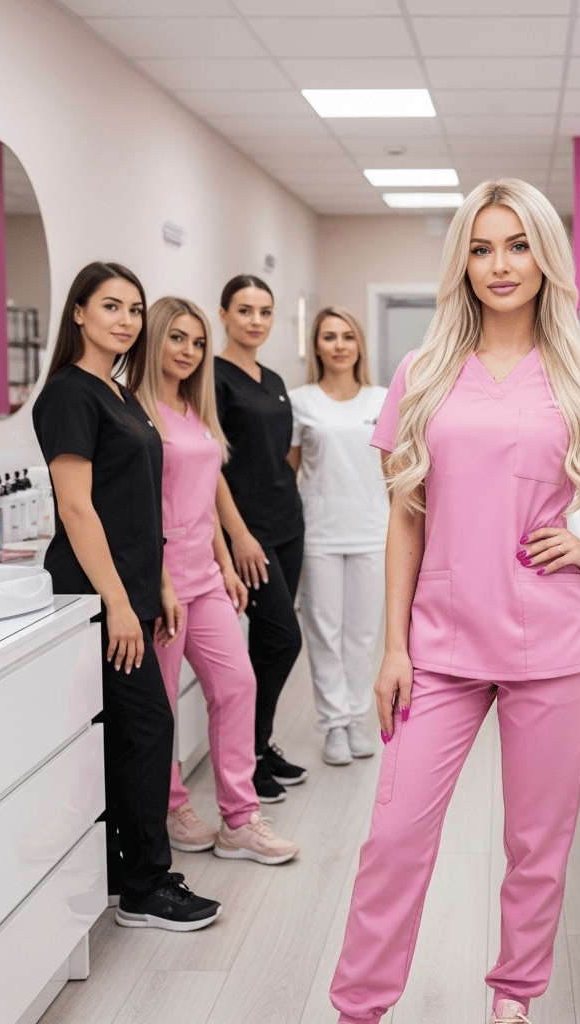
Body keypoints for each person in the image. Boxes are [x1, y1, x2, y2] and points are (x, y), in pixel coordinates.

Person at [328, 179, 580, 1024]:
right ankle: (359, 1009)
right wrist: (392, 647)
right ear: (463, 262)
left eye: (519, 245)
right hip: (439, 644)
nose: (500, 264)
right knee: (394, 838)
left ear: (545, 258)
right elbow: (405, 517)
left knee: (537, 845)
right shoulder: (422, 372)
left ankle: (514, 999)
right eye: (482, 247)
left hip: (547, 640)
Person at [32, 262, 220, 931]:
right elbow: (77, 509)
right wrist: (115, 602)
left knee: (129, 736)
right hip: (96, 595)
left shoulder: (119, 392)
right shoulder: (68, 395)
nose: (126, 320)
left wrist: (159, 582)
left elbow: (142, 501)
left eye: (135, 309)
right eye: (111, 306)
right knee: (146, 731)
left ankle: (120, 874)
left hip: (136, 588)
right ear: (78, 312)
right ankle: (145, 887)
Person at [132, 296, 299, 864]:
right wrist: (160, 582)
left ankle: (240, 819)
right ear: (154, 339)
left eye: (198, 342)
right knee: (161, 706)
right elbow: (138, 506)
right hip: (161, 585)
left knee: (236, 685)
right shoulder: (135, 411)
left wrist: (225, 560)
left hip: (204, 577)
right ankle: (170, 805)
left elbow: (213, 484)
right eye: (177, 338)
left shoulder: (194, 406)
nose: (189, 351)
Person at [213, 275, 307, 803]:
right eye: (245, 310)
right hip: (248, 533)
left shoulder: (272, 377)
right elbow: (211, 467)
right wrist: (238, 536)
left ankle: (257, 746)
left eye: (265, 311)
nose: (256, 320)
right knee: (283, 638)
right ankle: (246, 755)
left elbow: (280, 451)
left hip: (287, 523)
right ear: (224, 314)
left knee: (267, 643)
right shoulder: (212, 378)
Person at [289, 306, 388, 766]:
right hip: (319, 534)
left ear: (359, 344)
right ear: (316, 346)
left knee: (363, 635)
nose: (339, 345)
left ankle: (354, 720)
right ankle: (333, 724)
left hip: (373, 531)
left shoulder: (382, 400)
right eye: (329, 336)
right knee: (324, 633)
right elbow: (289, 474)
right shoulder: (300, 401)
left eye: (347, 336)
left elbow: (393, 472)